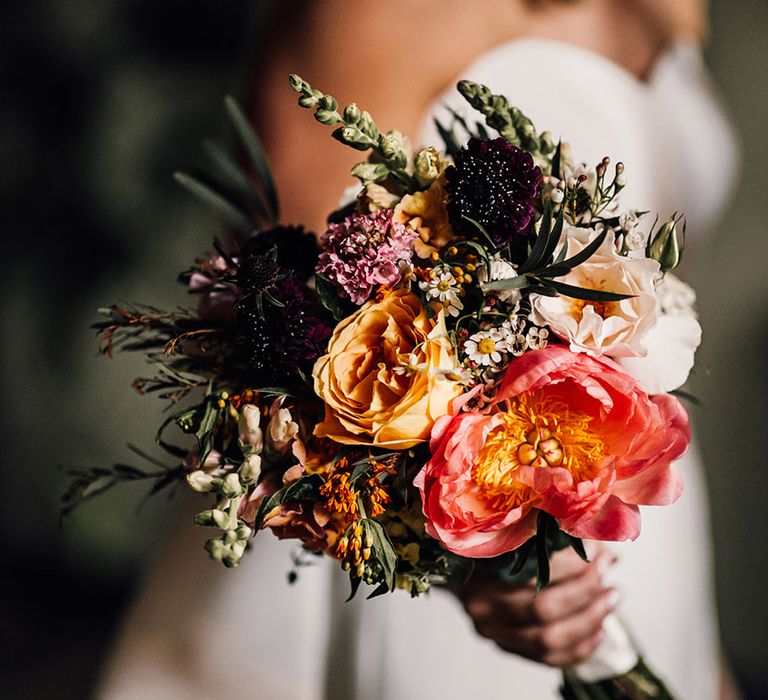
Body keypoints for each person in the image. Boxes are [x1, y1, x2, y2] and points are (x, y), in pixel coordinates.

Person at [98, 1, 740, 697]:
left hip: (636, 494)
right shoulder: (366, 15)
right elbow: (295, 344)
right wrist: (479, 577)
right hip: (471, 554)